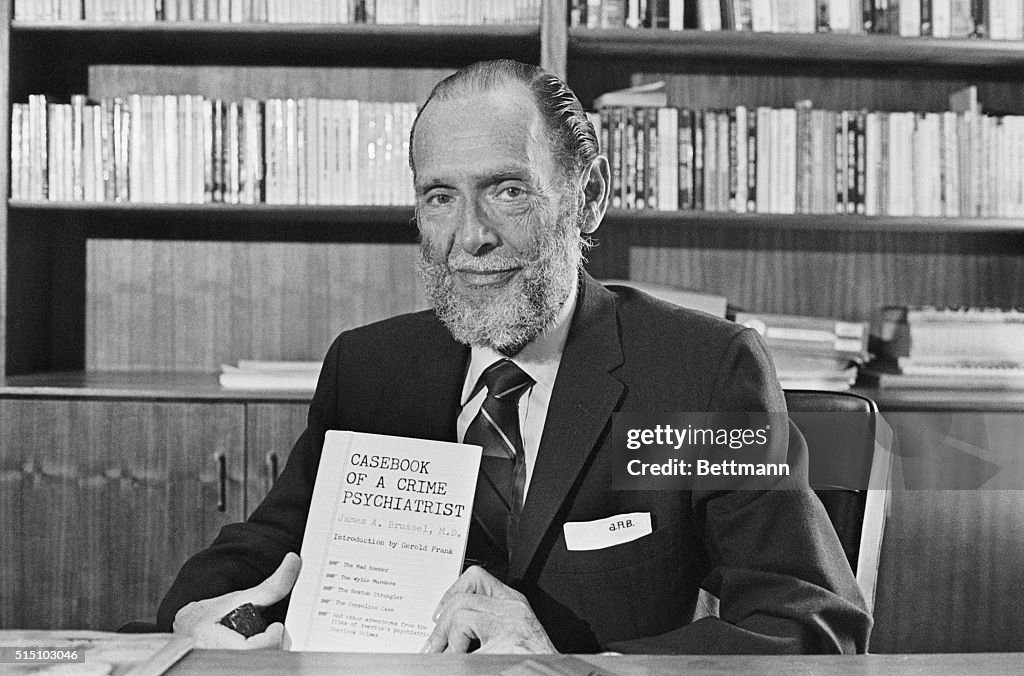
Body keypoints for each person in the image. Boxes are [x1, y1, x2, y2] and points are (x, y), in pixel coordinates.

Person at [157, 59, 871, 654]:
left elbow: (807, 628)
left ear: (587, 199)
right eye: (440, 196)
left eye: (507, 191)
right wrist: (195, 618)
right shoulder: (371, 370)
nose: (470, 237)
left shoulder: (698, 373)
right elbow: (258, 556)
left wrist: (573, 670)